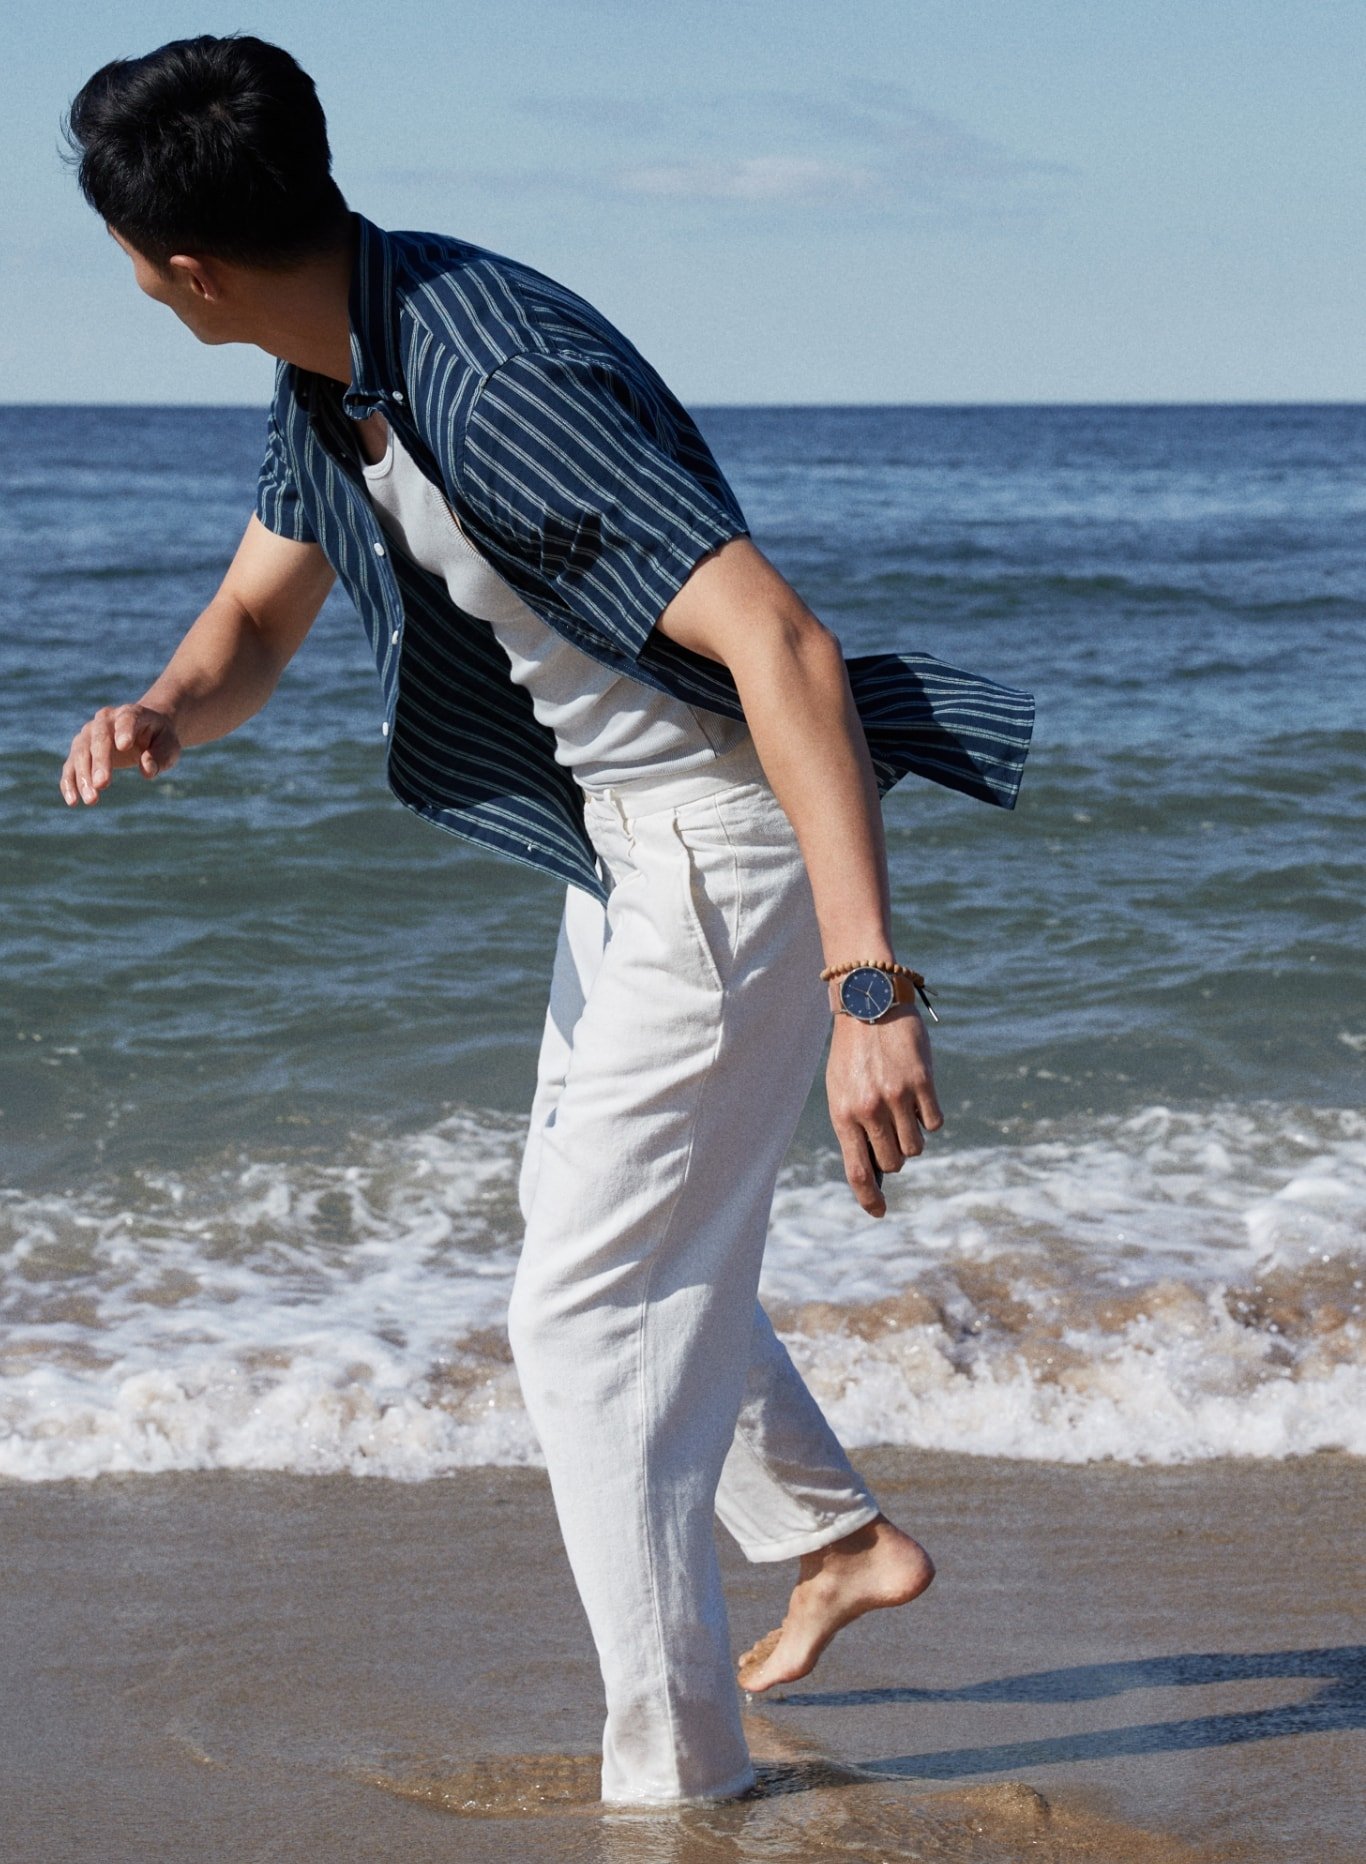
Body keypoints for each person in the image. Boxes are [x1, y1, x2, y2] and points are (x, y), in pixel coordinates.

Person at [59, 35, 1034, 1807]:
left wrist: (866, 985)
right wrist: (159, 712)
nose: (119, 279)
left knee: (581, 1319)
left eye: (117, 251)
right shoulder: (330, 356)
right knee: (603, 1247)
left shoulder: (489, 375)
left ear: (180, 268)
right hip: (630, 845)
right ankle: (832, 1541)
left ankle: (675, 1787)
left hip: (726, 842)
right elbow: (253, 632)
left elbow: (784, 649)